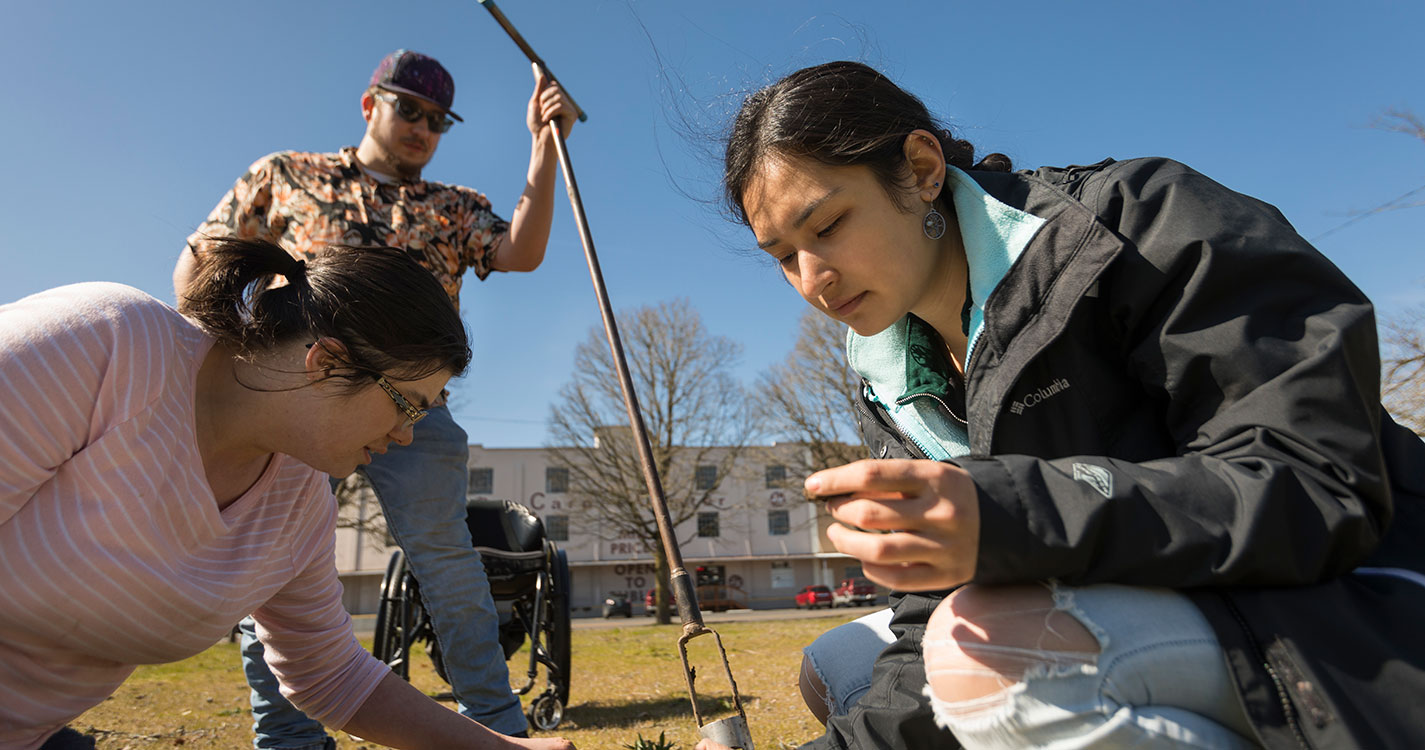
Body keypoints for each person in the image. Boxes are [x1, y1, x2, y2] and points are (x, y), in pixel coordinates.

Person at [700, 61, 1425, 750]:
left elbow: (1313, 482)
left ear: (920, 170)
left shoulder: (1136, 224)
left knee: (981, 657)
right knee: (839, 668)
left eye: (825, 227)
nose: (812, 280)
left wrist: (1012, 515)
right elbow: (929, 614)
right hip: (1160, 610)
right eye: (781, 256)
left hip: (1353, 605)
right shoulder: (892, 375)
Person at [0, 239, 575, 750]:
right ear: (325, 363)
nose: (406, 436)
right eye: (408, 405)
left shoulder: (300, 501)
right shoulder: (107, 342)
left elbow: (330, 675)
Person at [173, 49, 576, 747]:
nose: (422, 127)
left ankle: (495, 725)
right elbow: (199, 266)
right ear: (370, 105)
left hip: (413, 411)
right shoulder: (288, 174)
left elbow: (521, 251)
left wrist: (545, 144)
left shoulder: (450, 208)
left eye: (437, 119)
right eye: (408, 109)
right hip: (297, 399)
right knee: (273, 561)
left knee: (446, 562)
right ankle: (291, 738)